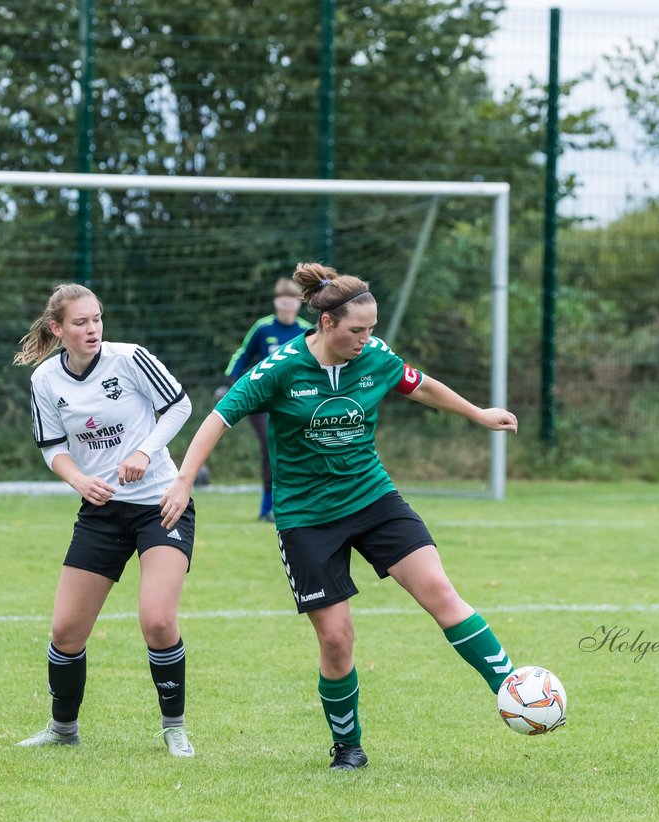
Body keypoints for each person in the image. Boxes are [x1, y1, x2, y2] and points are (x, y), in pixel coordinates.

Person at [160, 262, 519, 771]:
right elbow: (220, 417)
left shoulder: (373, 357)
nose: (366, 339)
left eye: (372, 329)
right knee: (336, 638)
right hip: (306, 517)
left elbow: (422, 385)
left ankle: (513, 688)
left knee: (440, 592)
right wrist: (184, 477)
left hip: (373, 499)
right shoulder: (281, 368)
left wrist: (479, 414)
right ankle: (348, 745)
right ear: (327, 323)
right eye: (357, 330)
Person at [13, 283, 197, 757]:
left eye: (96, 319)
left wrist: (144, 451)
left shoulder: (130, 358)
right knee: (65, 632)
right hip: (101, 512)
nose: (92, 329)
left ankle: (174, 728)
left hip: (160, 505)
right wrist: (78, 480)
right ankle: (62, 729)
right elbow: (51, 447)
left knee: (157, 621)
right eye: (80, 322)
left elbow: (180, 405)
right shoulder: (45, 381)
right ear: (57, 329)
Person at [217, 277, 313, 522]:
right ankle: (266, 509)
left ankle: (298, 503)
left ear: (298, 303)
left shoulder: (306, 331)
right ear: (276, 302)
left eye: (292, 299)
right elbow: (242, 356)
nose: (287, 304)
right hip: (262, 401)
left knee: (300, 448)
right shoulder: (263, 328)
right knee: (270, 447)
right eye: (282, 299)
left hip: (295, 402)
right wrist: (229, 383)